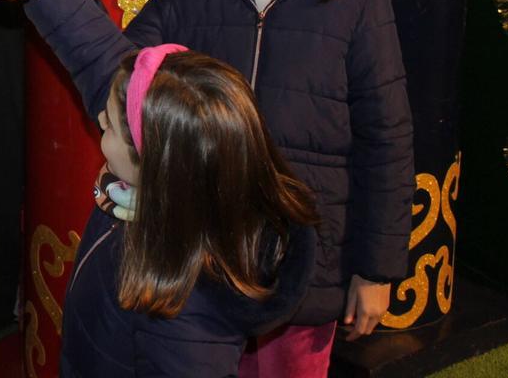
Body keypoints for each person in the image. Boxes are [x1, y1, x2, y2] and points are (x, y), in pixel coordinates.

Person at [0, 0, 414, 376]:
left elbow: (388, 140)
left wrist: (374, 270)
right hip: (196, 258)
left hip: (297, 266)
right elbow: (127, 85)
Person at [59, 44, 318, 377]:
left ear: (153, 164)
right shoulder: (171, 204)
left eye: (109, 124)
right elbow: (102, 68)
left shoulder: (181, 314)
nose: (99, 119)